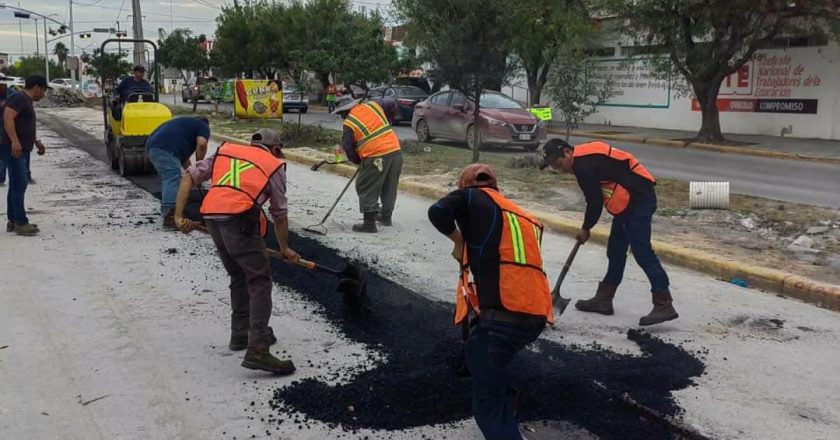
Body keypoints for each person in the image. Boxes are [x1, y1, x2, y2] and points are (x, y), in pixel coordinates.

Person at [428, 164, 553, 440]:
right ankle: (505, 399)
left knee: (488, 410)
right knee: (480, 351)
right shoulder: (523, 217)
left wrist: (459, 241)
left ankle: (501, 415)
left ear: (465, 186)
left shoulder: (470, 197)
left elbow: (437, 212)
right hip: (535, 317)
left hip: (502, 319)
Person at [173, 128, 300, 375]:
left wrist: (178, 216)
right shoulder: (273, 165)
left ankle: (241, 333)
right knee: (260, 281)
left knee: (239, 275)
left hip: (212, 218)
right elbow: (279, 214)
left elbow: (188, 176)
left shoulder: (227, 152)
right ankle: (258, 349)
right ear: (275, 149)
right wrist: (284, 248)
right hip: (239, 219)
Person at [539, 138, 678, 326]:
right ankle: (604, 299)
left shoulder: (583, 165)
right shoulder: (584, 156)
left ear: (566, 152)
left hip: (639, 199)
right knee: (615, 250)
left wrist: (585, 229)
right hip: (629, 200)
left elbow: (594, 202)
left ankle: (664, 303)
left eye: (559, 164)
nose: (560, 169)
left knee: (642, 251)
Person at [332, 95, 403, 232]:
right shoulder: (373, 106)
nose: (341, 117)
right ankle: (386, 217)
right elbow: (390, 104)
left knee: (365, 185)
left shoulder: (349, 122)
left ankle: (369, 224)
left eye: (341, 113)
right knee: (389, 186)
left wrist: (359, 162)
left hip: (376, 156)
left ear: (345, 111)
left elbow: (348, 148)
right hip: (395, 151)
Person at [0, 75, 48, 236]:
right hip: (13, 149)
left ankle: (13, 220)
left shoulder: (25, 100)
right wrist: (14, 141)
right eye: (43, 90)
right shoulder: (19, 99)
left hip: (21, 148)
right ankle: (21, 222)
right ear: (37, 88)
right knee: (19, 183)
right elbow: (8, 118)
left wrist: (36, 141)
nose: (44, 94)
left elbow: (24, 124)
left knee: (15, 184)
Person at [144, 116, 210, 229]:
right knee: (172, 178)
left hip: (152, 146)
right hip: (164, 148)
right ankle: (170, 217)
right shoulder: (202, 126)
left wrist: (195, 176)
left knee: (173, 178)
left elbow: (185, 163)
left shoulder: (185, 127)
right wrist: (200, 165)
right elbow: (202, 145)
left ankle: (172, 210)